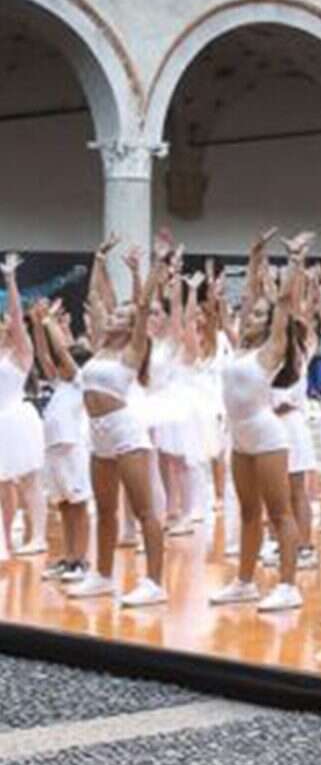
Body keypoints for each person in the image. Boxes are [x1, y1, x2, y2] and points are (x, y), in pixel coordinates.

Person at [210, 231, 308, 611]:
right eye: (250, 312)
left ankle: (288, 585)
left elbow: (283, 302)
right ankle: (245, 581)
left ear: (271, 325)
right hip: (240, 438)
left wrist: (295, 262)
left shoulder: (271, 351)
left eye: (260, 315)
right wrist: (254, 255)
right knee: (249, 512)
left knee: (279, 512)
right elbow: (252, 294)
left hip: (267, 435)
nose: (252, 316)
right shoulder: (239, 349)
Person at [67, 239, 167, 606]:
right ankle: (103, 575)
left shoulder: (132, 350)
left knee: (144, 511)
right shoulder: (98, 347)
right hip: (98, 434)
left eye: (121, 316)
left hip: (126, 432)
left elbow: (142, 308)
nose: (113, 317)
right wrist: (98, 258)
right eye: (115, 314)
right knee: (105, 510)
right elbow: (95, 297)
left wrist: (150, 269)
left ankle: (155, 582)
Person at [26, 298, 91, 582]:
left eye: (65, 362)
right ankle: (69, 558)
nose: (58, 365)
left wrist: (49, 321)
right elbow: (42, 355)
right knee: (64, 505)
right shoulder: (60, 383)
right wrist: (37, 324)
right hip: (52, 452)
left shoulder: (81, 381)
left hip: (72, 450)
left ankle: (81, 560)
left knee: (78, 505)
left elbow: (61, 353)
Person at [0, 254, 47, 558]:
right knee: (2, 483)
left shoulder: (20, 353)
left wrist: (11, 280)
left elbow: (17, 317)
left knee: (29, 479)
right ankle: (4, 538)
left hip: (15, 418)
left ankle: (39, 536)